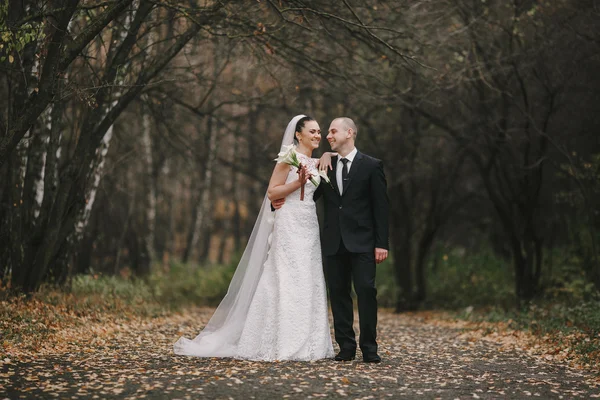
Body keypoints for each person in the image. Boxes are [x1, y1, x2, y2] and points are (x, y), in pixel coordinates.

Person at [173, 115, 334, 361]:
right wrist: (296, 183)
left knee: (308, 277)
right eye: (312, 131)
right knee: (284, 276)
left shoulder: (317, 162)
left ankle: (310, 342)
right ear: (298, 135)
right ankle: (280, 340)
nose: (317, 135)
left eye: (319, 132)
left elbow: (332, 167)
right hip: (288, 221)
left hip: (309, 224)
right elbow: (272, 192)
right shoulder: (287, 159)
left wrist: (327, 155)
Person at [316, 117, 390, 363]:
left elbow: (381, 207)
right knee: (338, 293)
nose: (328, 135)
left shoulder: (371, 165)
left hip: (364, 243)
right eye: (327, 132)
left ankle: (369, 347)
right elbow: (311, 194)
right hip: (333, 242)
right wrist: (322, 158)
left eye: (332, 131)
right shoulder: (326, 164)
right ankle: (346, 346)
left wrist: (382, 243)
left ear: (349, 133)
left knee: (366, 291)